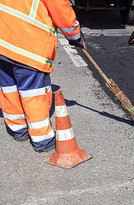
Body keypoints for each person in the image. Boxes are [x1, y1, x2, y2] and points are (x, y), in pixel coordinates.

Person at [0, 0, 85, 152]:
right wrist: (75, 35)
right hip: (27, 44)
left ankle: (19, 130)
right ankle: (42, 140)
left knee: (9, 89)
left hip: (3, 41)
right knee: (33, 94)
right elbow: (59, 8)